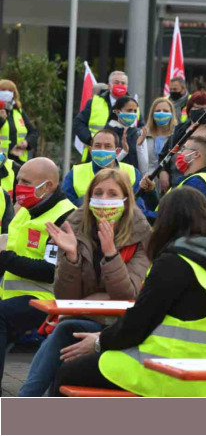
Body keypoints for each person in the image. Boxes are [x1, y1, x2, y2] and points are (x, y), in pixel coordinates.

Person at [50, 188, 206, 397]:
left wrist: (99, 342)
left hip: (168, 374)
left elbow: (137, 325)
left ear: (167, 221)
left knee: (66, 373)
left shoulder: (175, 263)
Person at [18, 168, 151, 396]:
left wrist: (111, 255)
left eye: (112, 194)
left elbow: (126, 295)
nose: (104, 200)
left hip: (119, 327)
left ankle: (25, 402)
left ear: (126, 199)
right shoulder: (75, 227)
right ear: (89, 198)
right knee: (66, 333)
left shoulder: (142, 234)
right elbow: (65, 297)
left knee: (64, 334)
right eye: (98, 193)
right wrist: (71, 258)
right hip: (81, 319)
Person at [0, 157, 77, 388]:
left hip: (46, 298)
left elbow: (50, 271)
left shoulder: (64, 217)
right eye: (19, 179)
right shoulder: (26, 210)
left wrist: (4, 258)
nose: (19, 186)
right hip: (15, 296)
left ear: (48, 186)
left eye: (26, 181)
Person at [154, 90, 206, 195]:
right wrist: (162, 172)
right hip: (175, 188)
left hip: (205, 190)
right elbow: (165, 155)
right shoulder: (179, 131)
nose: (202, 111)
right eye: (197, 108)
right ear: (190, 111)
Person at [61, 127, 141, 207]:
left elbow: (139, 208)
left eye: (108, 146)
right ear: (90, 150)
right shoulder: (75, 173)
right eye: (98, 145)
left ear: (117, 152)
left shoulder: (132, 173)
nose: (102, 150)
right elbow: (66, 207)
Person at [73, 70, 130, 160]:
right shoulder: (94, 102)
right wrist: (90, 139)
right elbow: (78, 123)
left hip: (123, 158)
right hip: (95, 155)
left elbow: (139, 130)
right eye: (116, 82)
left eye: (123, 83)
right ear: (109, 85)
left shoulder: (134, 107)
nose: (120, 85)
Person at [0, 79, 39, 171]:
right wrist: (2, 119)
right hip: (1, 161)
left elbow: (33, 132)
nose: (7, 93)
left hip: (18, 161)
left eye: (10, 91)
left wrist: (26, 142)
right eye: (3, 90)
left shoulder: (18, 111)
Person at [140, 96, 177, 181]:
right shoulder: (143, 135)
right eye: (158, 111)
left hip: (170, 181)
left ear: (172, 114)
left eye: (165, 111)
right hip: (148, 182)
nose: (161, 113)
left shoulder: (177, 135)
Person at [105, 95, 145, 172]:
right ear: (117, 112)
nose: (133, 114)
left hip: (134, 179)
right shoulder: (107, 133)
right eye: (129, 110)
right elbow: (105, 165)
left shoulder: (137, 133)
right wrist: (124, 152)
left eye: (135, 111)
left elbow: (143, 165)